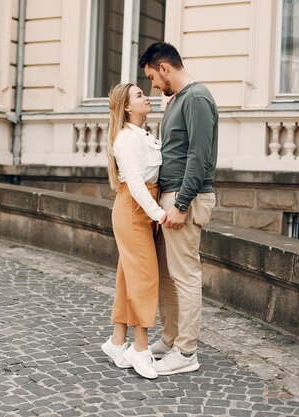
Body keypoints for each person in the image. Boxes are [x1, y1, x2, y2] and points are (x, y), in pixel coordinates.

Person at [139, 42, 219, 375]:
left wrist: (182, 203)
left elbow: (199, 157)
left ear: (165, 68)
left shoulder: (197, 98)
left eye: (152, 77)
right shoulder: (178, 100)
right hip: (168, 198)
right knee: (168, 275)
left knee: (185, 276)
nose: (152, 85)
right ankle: (171, 339)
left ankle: (187, 352)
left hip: (184, 198)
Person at [101, 82, 167, 379]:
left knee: (129, 276)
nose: (147, 97)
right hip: (134, 208)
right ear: (127, 107)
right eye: (139, 95)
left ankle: (117, 342)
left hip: (138, 208)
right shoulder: (127, 139)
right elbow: (137, 184)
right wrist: (159, 215)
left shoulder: (142, 134)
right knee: (144, 276)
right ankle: (140, 350)